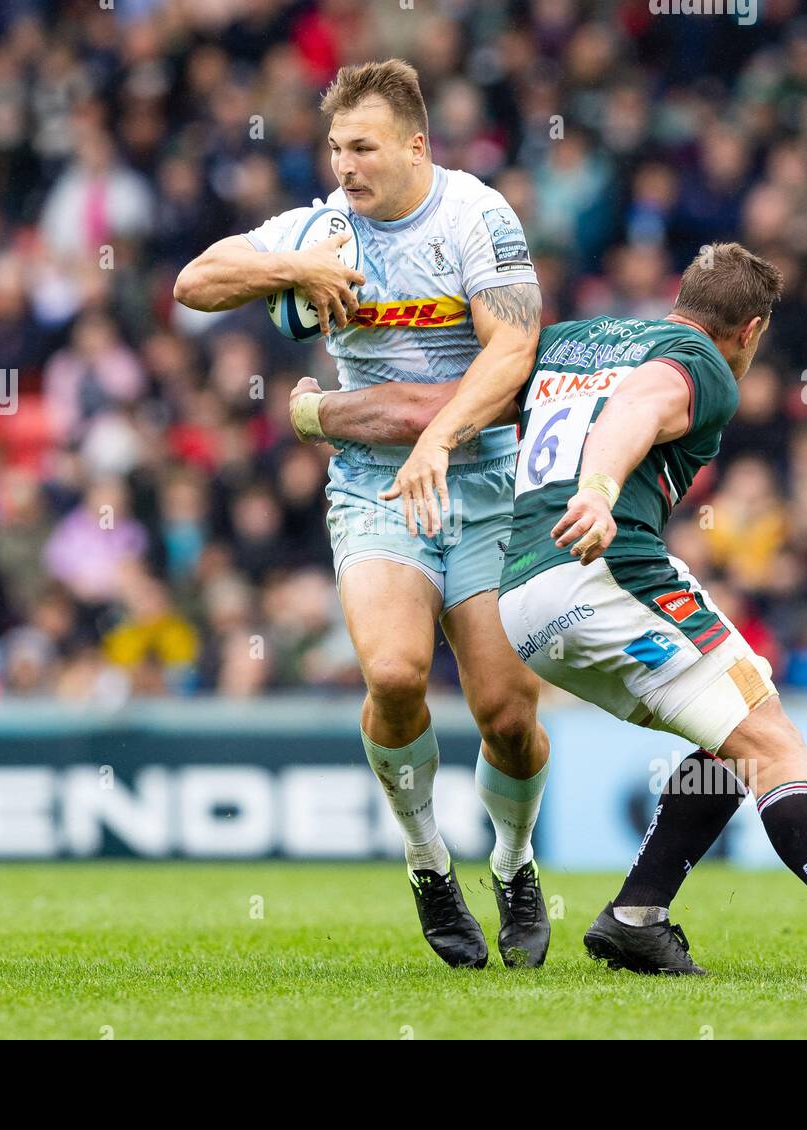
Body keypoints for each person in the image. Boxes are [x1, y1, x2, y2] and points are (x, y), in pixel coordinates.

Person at [299, 242, 807, 982]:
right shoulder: (702, 363)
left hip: (519, 597)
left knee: (732, 730)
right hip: (602, 571)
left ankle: (637, 917)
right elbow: (638, 405)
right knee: (774, 743)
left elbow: (442, 407)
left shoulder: (565, 342)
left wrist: (319, 410)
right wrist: (596, 488)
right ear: (749, 330)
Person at [176, 59, 552, 969]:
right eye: (336, 146)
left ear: (416, 146)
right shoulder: (321, 228)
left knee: (506, 711)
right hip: (377, 485)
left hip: (488, 475)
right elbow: (193, 283)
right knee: (391, 672)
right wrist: (291, 265)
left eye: (364, 147)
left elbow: (515, 350)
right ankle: (428, 862)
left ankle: (513, 861)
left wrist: (439, 437)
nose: (345, 164)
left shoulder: (476, 216)